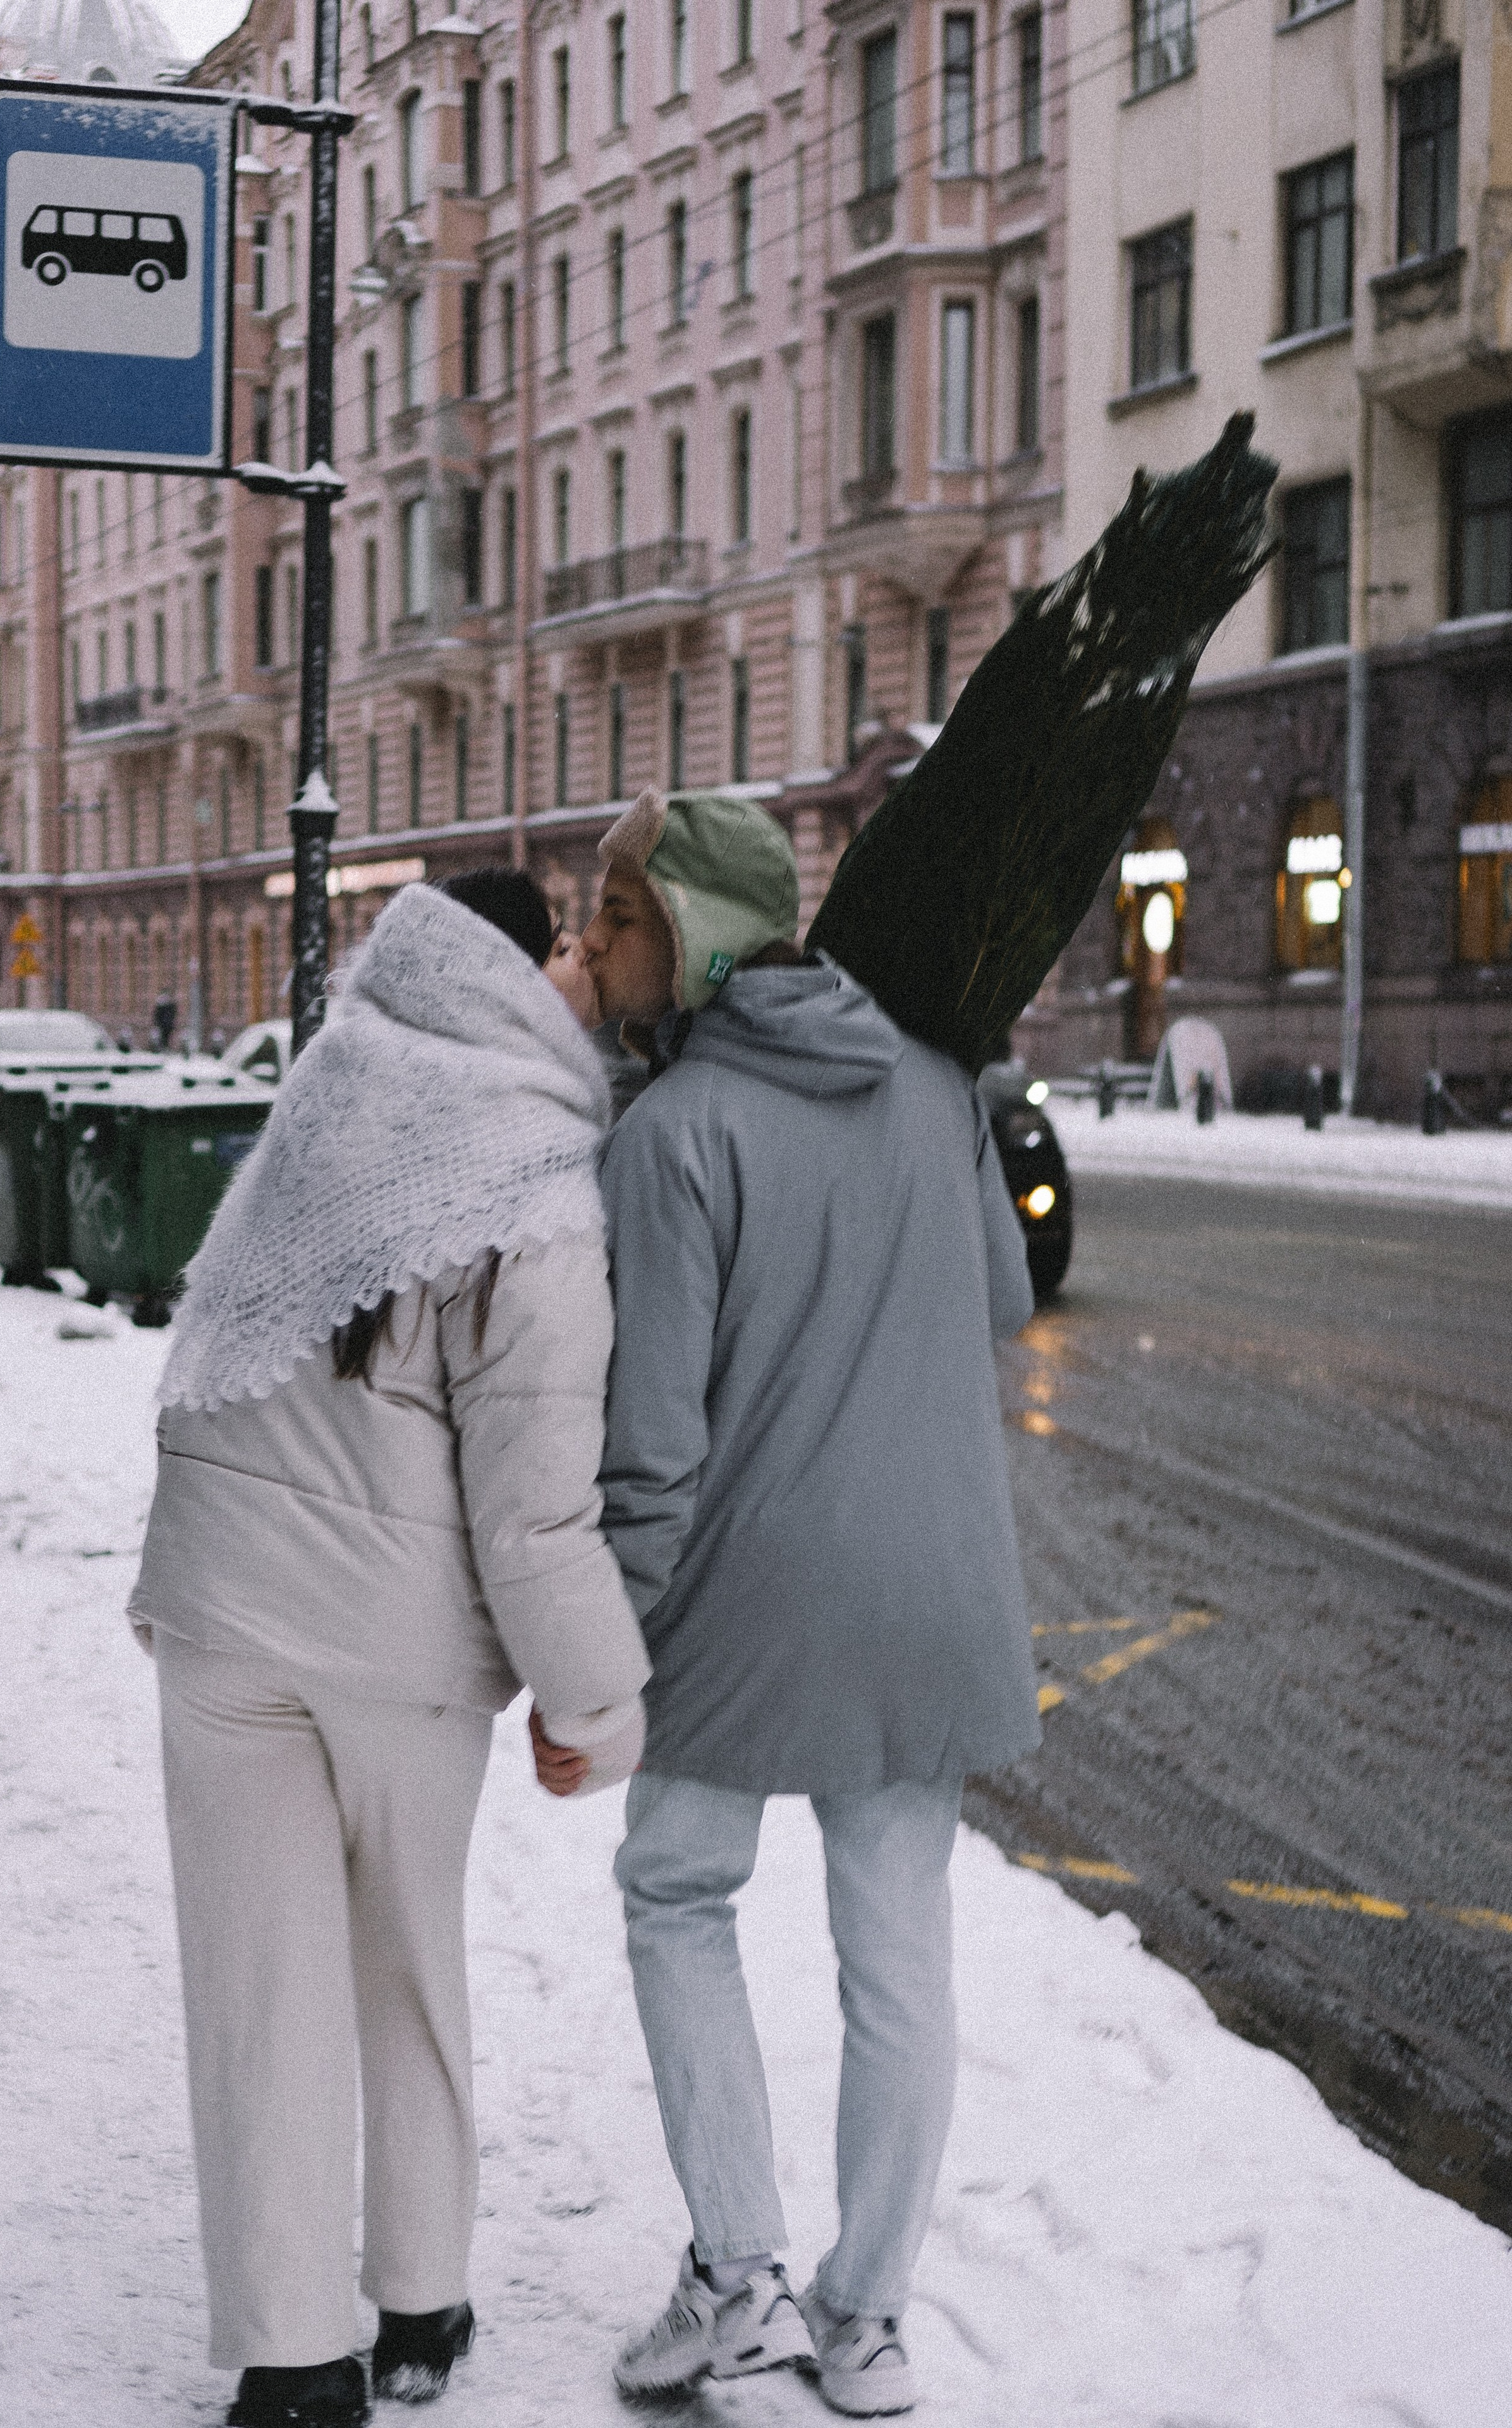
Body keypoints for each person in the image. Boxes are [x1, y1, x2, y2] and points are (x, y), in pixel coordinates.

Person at [129, 870, 650, 2428]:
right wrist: (599, 1707)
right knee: (406, 1963)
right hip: (393, 1648)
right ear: (500, 972)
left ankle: (292, 2362)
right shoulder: (543, 1181)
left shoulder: (326, 1089)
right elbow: (534, 1512)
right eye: (557, 945)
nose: (576, 970)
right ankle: (417, 2304)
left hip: (220, 1611)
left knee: (257, 1988)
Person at [560, 790, 1040, 2417]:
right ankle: (869, 2318)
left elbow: (652, 1449)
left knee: (676, 1890)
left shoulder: (671, 1137)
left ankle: (736, 2273)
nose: (598, 951)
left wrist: (595, 1659)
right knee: (897, 1960)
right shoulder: (930, 1077)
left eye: (616, 920)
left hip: (746, 1606)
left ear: (686, 933)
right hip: (936, 1597)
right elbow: (1001, 1293)